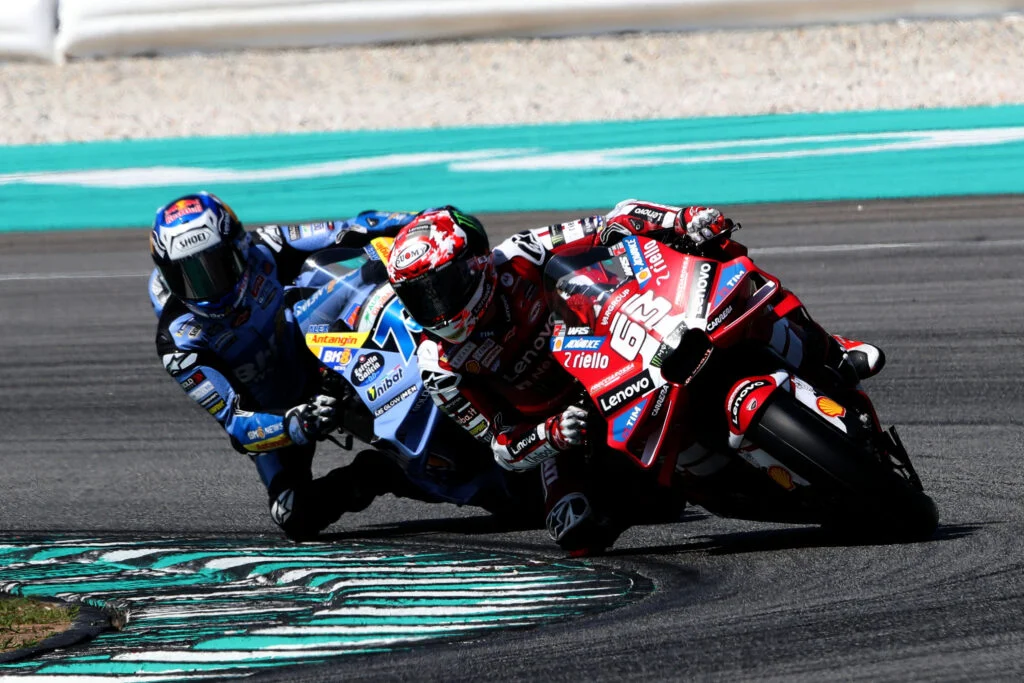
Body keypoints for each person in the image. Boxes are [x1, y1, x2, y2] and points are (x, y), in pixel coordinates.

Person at [384, 199, 885, 554]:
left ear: (475, 264)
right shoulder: (440, 365)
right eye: (419, 297)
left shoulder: (521, 253)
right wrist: (550, 434)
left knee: (721, 258)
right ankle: (694, 486)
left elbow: (612, 222)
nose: (435, 307)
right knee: (576, 531)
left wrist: (682, 220)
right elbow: (501, 444)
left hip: (614, 343)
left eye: (441, 287)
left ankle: (829, 349)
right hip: (575, 425)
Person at [150, 191, 424, 540]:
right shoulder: (178, 341)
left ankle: (422, 360)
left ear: (238, 248)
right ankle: (381, 473)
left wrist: (422, 220)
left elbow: (352, 229)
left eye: (214, 268)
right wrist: (296, 422)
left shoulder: (266, 246)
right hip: (275, 413)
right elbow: (237, 424)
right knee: (293, 514)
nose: (205, 288)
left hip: (322, 357)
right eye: (187, 277)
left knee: (356, 270)